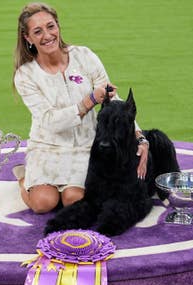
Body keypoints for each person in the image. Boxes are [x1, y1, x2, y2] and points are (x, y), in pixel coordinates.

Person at [13, 2, 150, 213]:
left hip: (86, 146)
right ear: (28, 38)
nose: (47, 35)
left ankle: (56, 187)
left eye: (51, 26)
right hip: (47, 147)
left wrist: (139, 137)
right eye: (37, 31)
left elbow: (113, 101)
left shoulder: (84, 56)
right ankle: (24, 179)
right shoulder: (25, 75)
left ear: (58, 26)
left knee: (74, 201)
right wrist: (89, 101)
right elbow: (50, 121)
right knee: (43, 204)